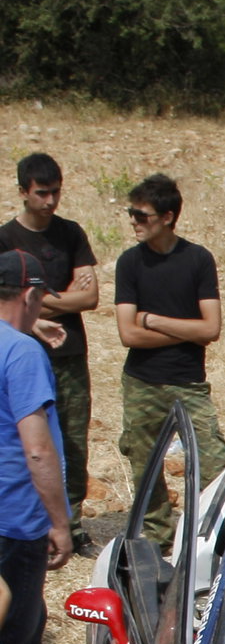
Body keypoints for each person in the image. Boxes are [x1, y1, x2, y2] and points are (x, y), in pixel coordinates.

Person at [112, 173, 225, 548]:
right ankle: (158, 539)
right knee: (145, 464)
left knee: (213, 462)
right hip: (142, 381)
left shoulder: (197, 260)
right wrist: (185, 329)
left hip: (188, 382)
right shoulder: (129, 263)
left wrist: (153, 319)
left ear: (167, 217)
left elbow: (211, 328)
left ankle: (210, 537)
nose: (133, 220)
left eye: (141, 215)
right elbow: (128, 335)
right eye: (132, 213)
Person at [1, 154, 98, 557]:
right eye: (42, 192)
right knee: (25, 439)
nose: (50, 200)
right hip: (20, 355)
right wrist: (57, 302)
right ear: (23, 191)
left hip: (68, 352)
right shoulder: (5, 239)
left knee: (71, 440)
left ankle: (70, 523)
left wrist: (35, 304)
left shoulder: (70, 233)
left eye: (56, 191)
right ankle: (36, 522)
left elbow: (90, 297)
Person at [0, 250, 77, 644]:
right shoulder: (22, 354)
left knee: (31, 614)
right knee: (15, 629)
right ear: (30, 293)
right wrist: (60, 521)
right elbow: (36, 445)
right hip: (15, 517)